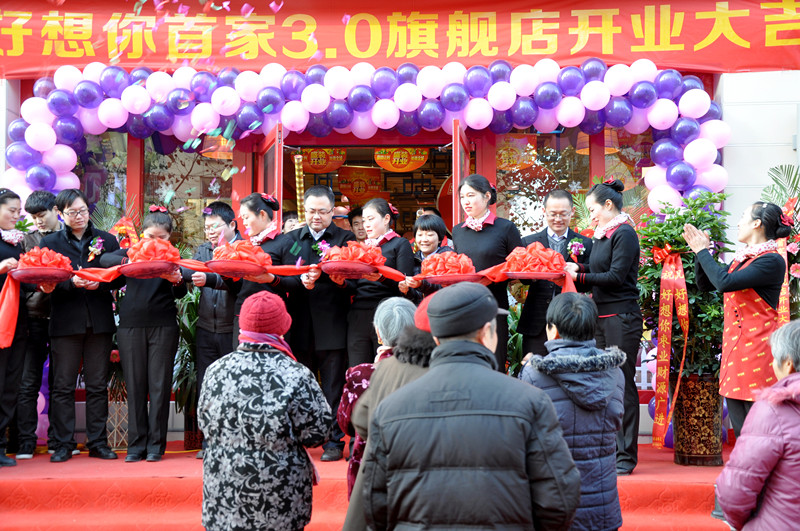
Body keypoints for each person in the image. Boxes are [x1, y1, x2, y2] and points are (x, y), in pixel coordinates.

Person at [361, 282, 580, 529]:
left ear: (436, 338)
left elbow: (374, 504)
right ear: (487, 333)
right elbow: (559, 498)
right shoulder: (529, 402)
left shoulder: (391, 409)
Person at [198, 291, 332, 531]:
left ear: (242, 325)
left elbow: (204, 423)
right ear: (282, 327)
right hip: (279, 502)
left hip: (225, 498)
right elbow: (318, 433)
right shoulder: (295, 374)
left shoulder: (215, 371)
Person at [683, 201, 789, 436]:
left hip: (759, 349)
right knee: (741, 429)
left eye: (743, 216)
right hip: (736, 349)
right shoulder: (744, 258)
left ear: (757, 223)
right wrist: (702, 252)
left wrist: (702, 252)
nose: (739, 223)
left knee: (758, 429)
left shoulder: (771, 260)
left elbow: (724, 283)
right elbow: (706, 284)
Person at [520, 292, 624, 531]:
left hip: (554, 507)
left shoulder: (534, 374)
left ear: (553, 331)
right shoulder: (614, 372)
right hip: (603, 509)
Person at [565, 179, 642, 476]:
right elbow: (599, 271)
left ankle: (626, 456)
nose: (591, 215)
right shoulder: (604, 234)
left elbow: (615, 277)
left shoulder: (624, 233)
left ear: (608, 205)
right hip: (602, 316)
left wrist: (581, 278)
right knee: (603, 383)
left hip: (621, 318)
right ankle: (609, 448)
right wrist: (579, 268)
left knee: (621, 384)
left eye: (593, 209)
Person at [40, 189, 122, 463]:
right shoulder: (50, 242)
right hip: (65, 322)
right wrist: (70, 283)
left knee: (97, 385)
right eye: (72, 212)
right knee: (63, 385)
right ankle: (64, 443)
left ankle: (97, 442)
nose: (79, 216)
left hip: (99, 322)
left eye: (83, 211)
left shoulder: (107, 240)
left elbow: (119, 278)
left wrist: (103, 283)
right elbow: (45, 279)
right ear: (60, 214)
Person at [274, 185, 355, 462]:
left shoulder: (345, 239)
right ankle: (305, 438)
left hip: (333, 323)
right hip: (299, 324)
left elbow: (355, 282)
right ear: (303, 211)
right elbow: (278, 278)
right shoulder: (290, 240)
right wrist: (298, 282)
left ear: (333, 212)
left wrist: (340, 281)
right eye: (311, 211)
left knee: (333, 387)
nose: (316, 216)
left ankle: (334, 441)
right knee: (301, 386)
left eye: (322, 211)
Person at [99, 209, 187, 462]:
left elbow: (181, 292)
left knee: (159, 386)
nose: (155, 243)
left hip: (163, 326)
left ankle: (156, 446)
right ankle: (136, 446)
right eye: (150, 237)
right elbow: (105, 260)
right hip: (130, 327)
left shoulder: (172, 258)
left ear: (170, 237)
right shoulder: (131, 255)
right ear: (141, 235)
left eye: (162, 238)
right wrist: (132, 258)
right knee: (135, 386)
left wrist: (176, 279)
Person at [342, 313, 435, 531]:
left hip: (381, 472)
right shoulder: (444, 370)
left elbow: (357, 421)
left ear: (379, 333)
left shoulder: (376, 370)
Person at [715, 320, 800, 530]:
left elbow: (735, 491)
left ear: (788, 363)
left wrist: (742, 524)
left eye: (774, 359)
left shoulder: (773, 410)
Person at [338, 297, 416, 495]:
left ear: (379, 334)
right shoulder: (430, 371)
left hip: (370, 474)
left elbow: (346, 424)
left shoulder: (361, 375)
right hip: (417, 472)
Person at [186, 201, 241, 460]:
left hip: (233, 329)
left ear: (232, 225)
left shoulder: (243, 249)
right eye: (206, 227)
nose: (209, 232)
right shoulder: (203, 250)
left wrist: (209, 279)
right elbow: (188, 272)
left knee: (234, 387)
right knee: (207, 386)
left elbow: (238, 283)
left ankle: (233, 441)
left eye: (215, 226)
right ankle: (209, 440)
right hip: (207, 328)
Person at [452, 173, 523, 371]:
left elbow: (519, 264)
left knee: (494, 362)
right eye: (462, 197)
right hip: (465, 305)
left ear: (487, 196)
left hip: (494, 305)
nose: (466, 201)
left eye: (471, 195)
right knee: (467, 363)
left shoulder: (506, 228)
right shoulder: (457, 231)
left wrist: (492, 276)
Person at [15, 190, 62, 459]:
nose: (38, 221)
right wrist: (38, 286)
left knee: (60, 384)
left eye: (42, 215)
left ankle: (58, 440)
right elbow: (18, 281)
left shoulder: (67, 238)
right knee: (28, 382)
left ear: (56, 211)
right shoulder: (26, 240)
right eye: (33, 217)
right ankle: (25, 441)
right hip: (33, 318)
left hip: (64, 318)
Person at [519, 189, 592, 357]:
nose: (558, 219)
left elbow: (588, 280)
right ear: (544, 211)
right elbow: (524, 280)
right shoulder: (529, 242)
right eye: (553, 214)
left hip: (572, 320)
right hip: (537, 321)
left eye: (563, 214)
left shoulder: (586, 243)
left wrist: (576, 270)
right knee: (533, 366)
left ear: (572, 211)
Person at [346, 198, 415, 367]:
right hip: (358, 314)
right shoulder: (361, 247)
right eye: (364, 221)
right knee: (358, 368)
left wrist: (381, 278)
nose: (366, 225)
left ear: (386, 219)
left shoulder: (400, 244)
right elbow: (353, 285)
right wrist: (341, 282)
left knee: (386, 368)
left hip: (387, 312)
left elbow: (403, 284)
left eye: (371, 219)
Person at [225, 192, 285, 348]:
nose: (243, 223)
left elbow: (295, 282)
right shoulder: (246, 245)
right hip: (243, 314)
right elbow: (239, 287)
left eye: (246, 217)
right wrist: (226, 274)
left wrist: (272, 279)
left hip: (271, 317)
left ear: (262, 214)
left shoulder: (285, 242)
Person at [0, 189, 30, 467]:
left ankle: (1, 444)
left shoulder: (17, 242)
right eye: (11, 210)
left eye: (18, 211)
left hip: (18, 321)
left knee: (11, 385)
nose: (16, 215)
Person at [398, 214, 453, 303]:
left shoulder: (449, 259)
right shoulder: (413, 259)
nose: (424, 239)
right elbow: (415, 297)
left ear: (440, 238)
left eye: (429, 235)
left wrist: (421, 283)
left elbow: (448, 287)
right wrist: (406, 291)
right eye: (420, 235)